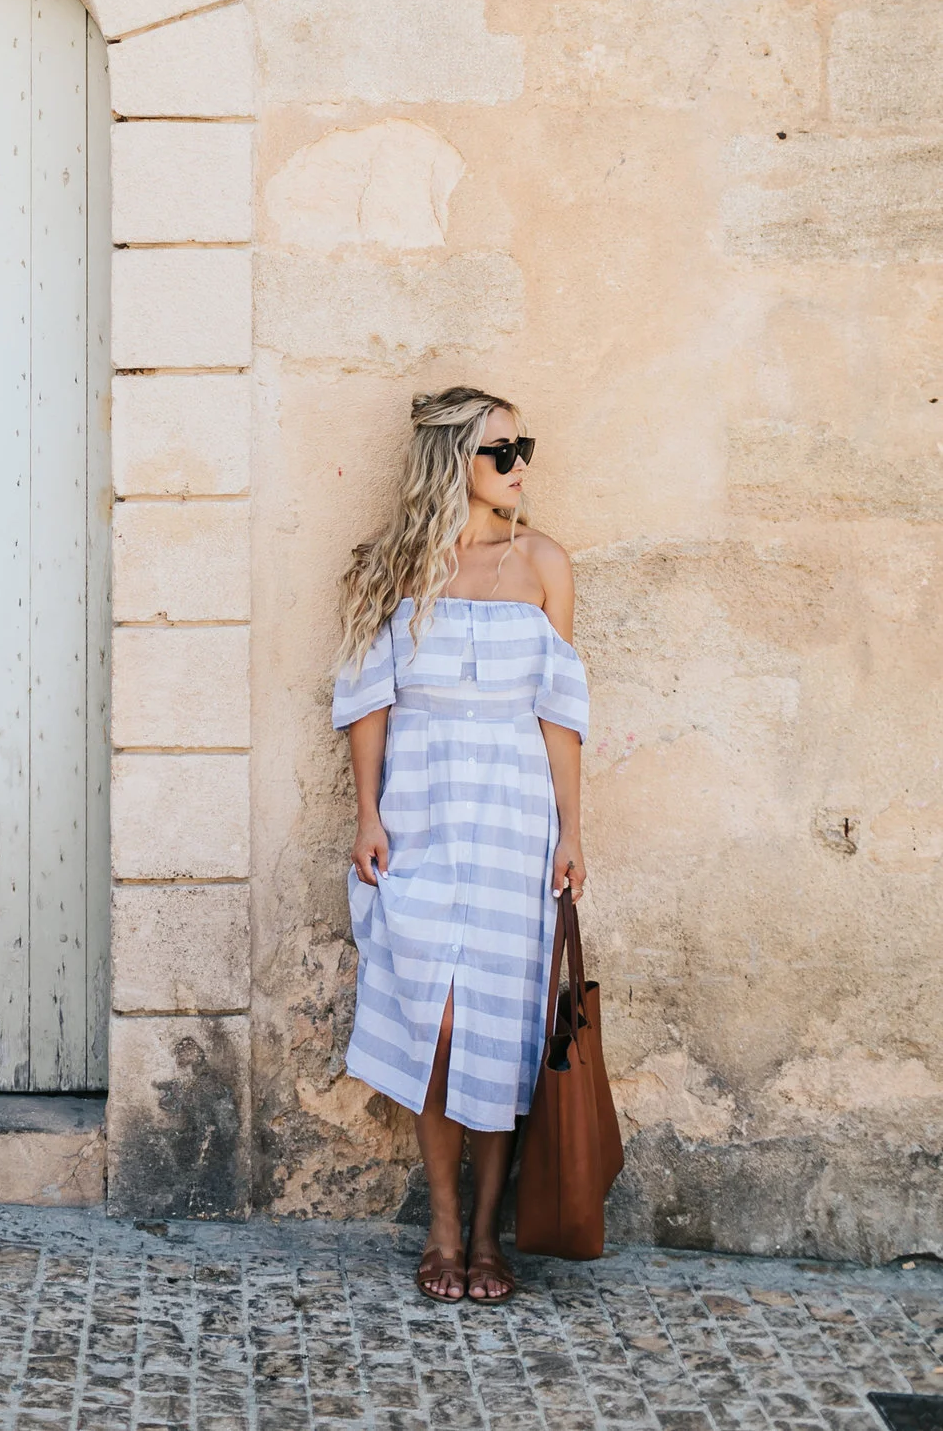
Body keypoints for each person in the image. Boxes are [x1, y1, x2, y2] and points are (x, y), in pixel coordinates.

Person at [331, 386, 588, 1305]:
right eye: (502, 453)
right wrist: (368, 815)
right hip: (424, 814)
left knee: (495, 1029)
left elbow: (561, 712)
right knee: (436, 1028)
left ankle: (485, 1236)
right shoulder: (390, 570)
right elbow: (368, 702)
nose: (522, 467)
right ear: (454, 465)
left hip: (514, 820)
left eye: (525, 449)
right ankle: (440, 1220)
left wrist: (572, 832)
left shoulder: (546, 565)